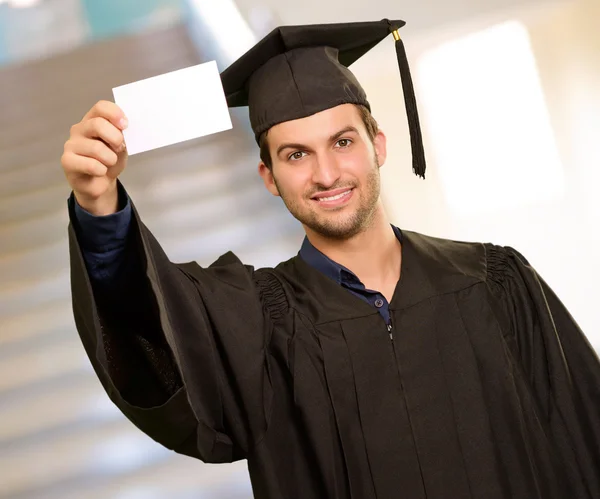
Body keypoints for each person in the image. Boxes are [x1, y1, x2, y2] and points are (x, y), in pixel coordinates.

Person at [61, 19, 600, 499]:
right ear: (269, 177)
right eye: (296, 154)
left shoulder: (497, 282)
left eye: (342, 141)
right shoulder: (258, 326)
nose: (325, 174)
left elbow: (584, 435)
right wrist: (99, 206)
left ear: (378, 145)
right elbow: (152, 325)